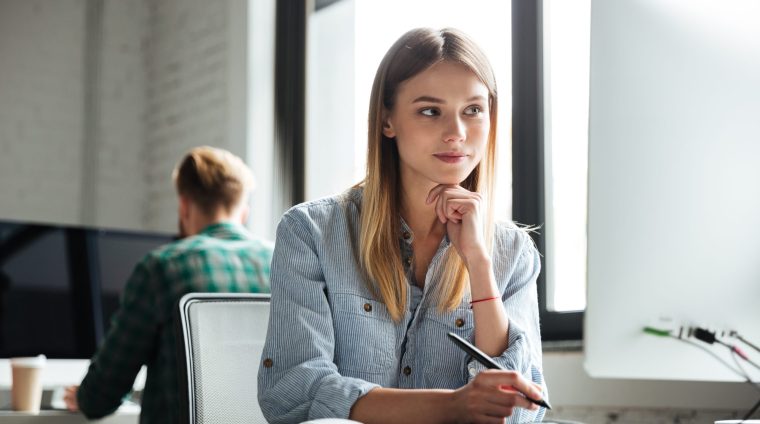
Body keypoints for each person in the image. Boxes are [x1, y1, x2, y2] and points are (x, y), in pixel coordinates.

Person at [258, 28, 547, 424]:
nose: (456, 134)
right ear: (387, 120)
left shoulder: (512, 252)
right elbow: (293, 392)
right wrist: (451, 406)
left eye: (473, 110)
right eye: (430, 111)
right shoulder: (311, 232)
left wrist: (479, 264)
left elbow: (518, 413)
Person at [63, 146, 274, 423]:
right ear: (243, 212)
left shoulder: (162, 267)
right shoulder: (283, 262)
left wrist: (83, 397)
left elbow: (103, 393)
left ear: (184, 206)